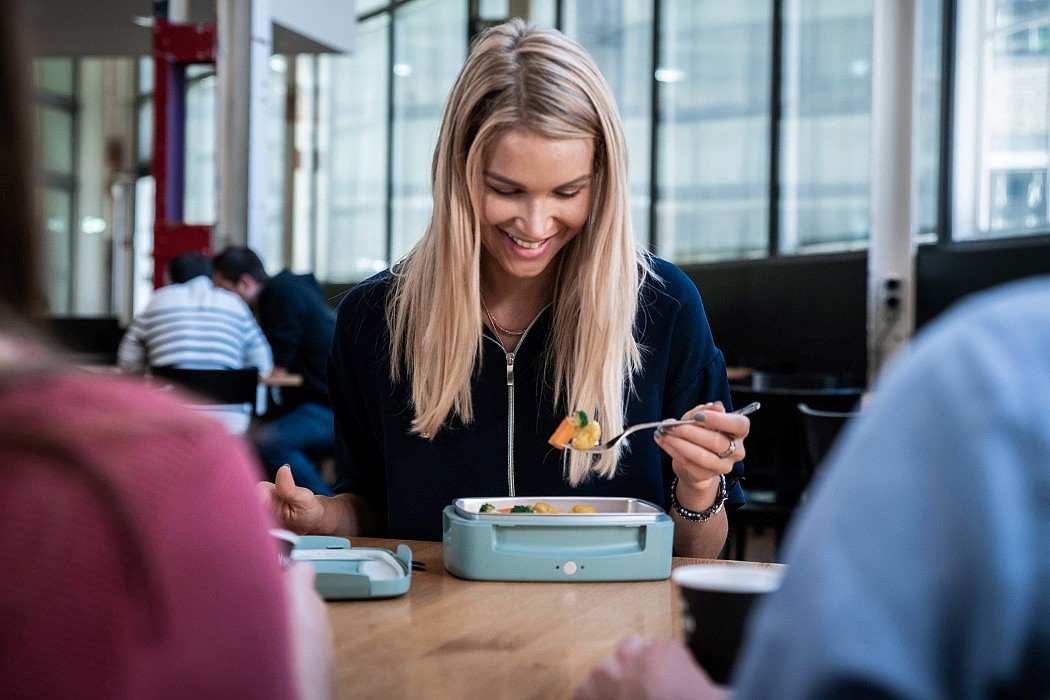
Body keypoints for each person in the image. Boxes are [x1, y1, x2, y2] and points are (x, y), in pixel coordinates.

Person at [261, 19, 753, 558]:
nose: (536, 224)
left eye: (567, 191)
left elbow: (698, 552)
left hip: (609, 632)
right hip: (437, 632)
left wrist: (699, 486)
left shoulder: (664, 306)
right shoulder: (375, 319)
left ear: (602, 181)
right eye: (506, 190)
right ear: (458, 174)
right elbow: (375, 505)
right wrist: (322, 517)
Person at [0, 1, 332, 696]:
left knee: (284, 448)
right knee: (269, 444)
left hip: (235, 418)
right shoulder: (162, 477)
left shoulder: (157, 307)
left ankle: (324, 507)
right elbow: (258, 370)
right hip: (230, 433)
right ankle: (321, 519)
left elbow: (131, 366)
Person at [574, 276, 1050, 699]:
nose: (535, 223)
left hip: (629, 635)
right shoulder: (999, 368)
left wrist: (699, 483)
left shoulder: (992, 373)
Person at [212, 246, 337, 496]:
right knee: (254, 433)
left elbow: (274, 367)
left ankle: (325, 506)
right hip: (319, 404)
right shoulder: (288, 290)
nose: (222, 300)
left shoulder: (279, 296)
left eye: (224, 291)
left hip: (330, 410)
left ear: (245, 283)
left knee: (267, 442)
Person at [117, 250, 273, 434]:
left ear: (169, 278)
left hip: (168, 415)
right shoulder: (234, 304)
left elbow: (127, 360)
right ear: (211, 277)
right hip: (230, 423)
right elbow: (263, 363)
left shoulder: (158, 301)